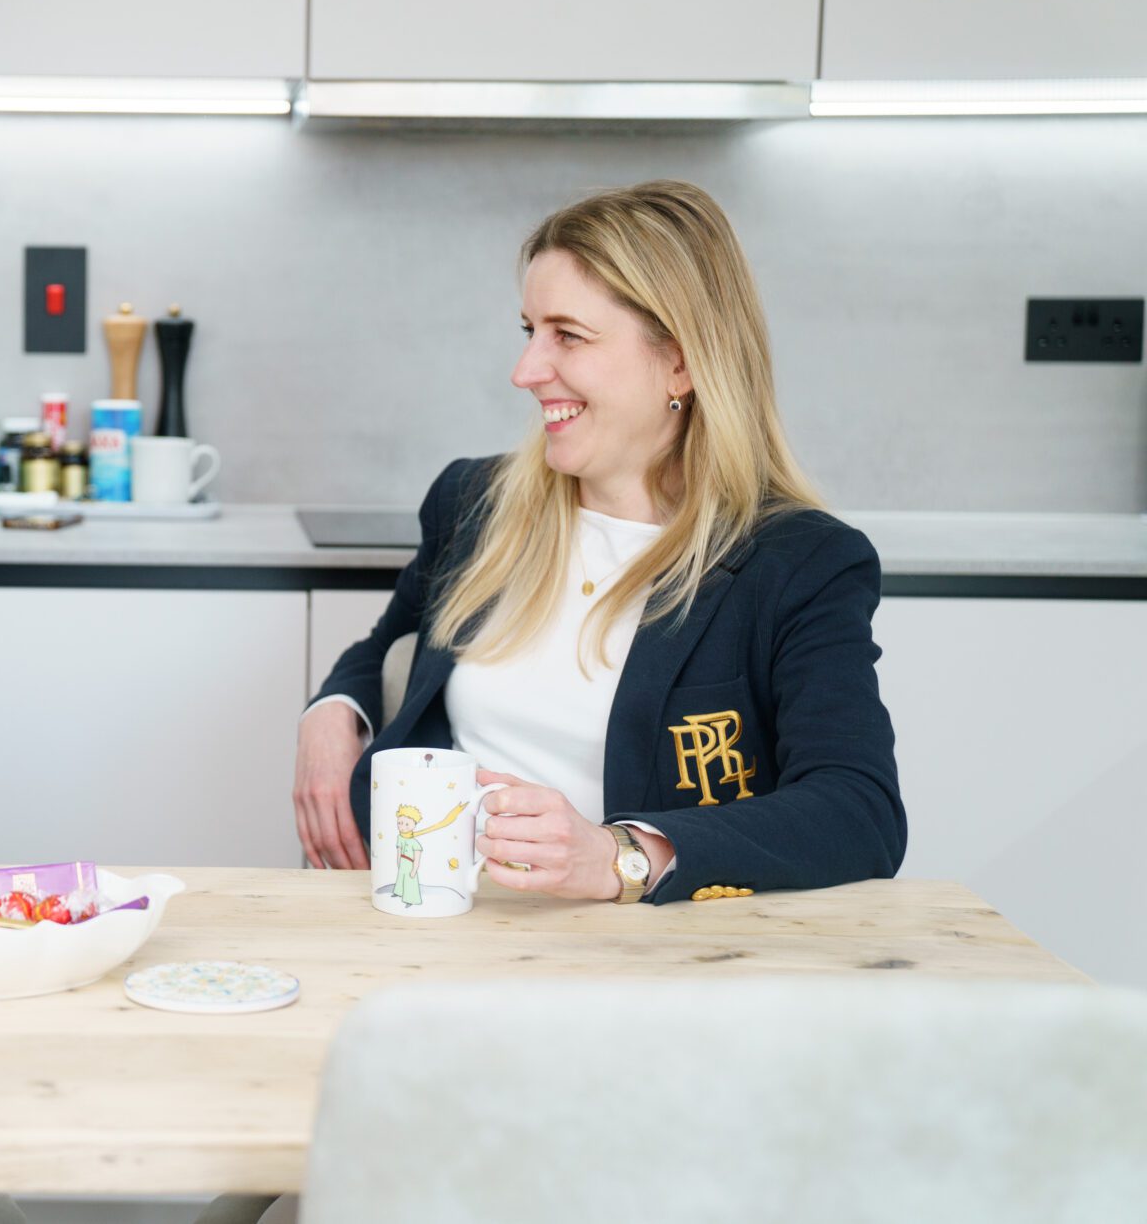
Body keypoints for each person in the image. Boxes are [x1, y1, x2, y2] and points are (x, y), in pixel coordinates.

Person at [295, 180, 904, 905]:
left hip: (642, 966)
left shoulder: (798, 563)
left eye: (568, 336)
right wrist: (334, 712)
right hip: (436, 925)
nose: (525, 371)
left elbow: (858, 810)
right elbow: (392, 646)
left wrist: (623, 853)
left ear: (680, 361)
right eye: (529, 331)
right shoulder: (475, 505)